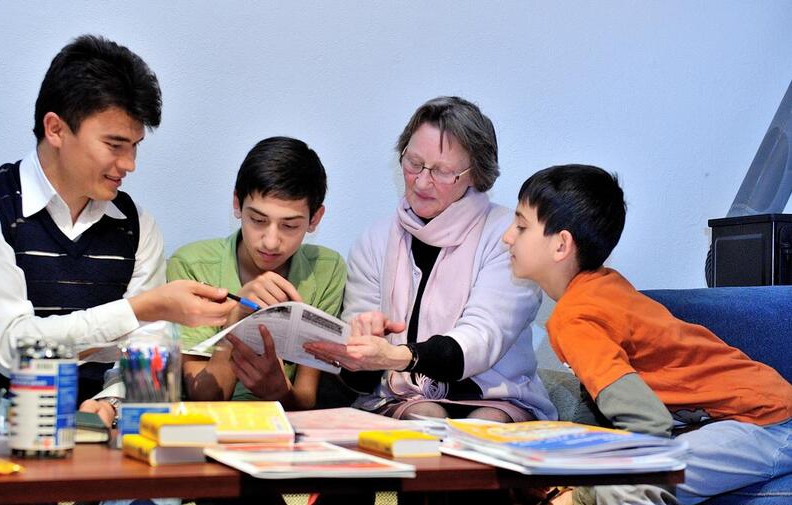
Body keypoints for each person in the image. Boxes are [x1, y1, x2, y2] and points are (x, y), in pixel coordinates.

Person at [0, 35, 236, 430]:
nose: (129, 164)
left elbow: (148, 355)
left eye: (135, 146)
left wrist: (111, 402)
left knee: (159, 440)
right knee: (24, 432)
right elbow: (15, 349)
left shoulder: (137, 225)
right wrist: (143, 308)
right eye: (115, 144)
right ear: (56, 129)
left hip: (98, 405)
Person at [501, 164, 792, 505]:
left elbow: (647, 422)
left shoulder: (574, 318)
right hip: (746, 417)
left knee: (624, 487)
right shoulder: (604, 284)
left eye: (521, 226)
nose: (508, 236)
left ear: (561, 245)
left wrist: (579, 496)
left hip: (762, 425)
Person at [304, 96, 556, 423]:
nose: (422, 182)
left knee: (485, 424)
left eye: (442, 171)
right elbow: (359, 370)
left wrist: (396, 356)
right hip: (404, 398)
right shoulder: (375, 240)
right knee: (424, 416)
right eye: (414, 163)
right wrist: (361, 346)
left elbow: (482, 338)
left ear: (476, 175)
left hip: (497, 398)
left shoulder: (509, 237)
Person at [167, 136, 350, 410]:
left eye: (290, 226)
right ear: (237, 204)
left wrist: (278, 391)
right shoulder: (192, 265)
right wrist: (236, 319)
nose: (271, 241)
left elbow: (305, 401)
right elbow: (204, 399)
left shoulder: (327, 269)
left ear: (315, 219)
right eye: (258, 220)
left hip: (282, 428)